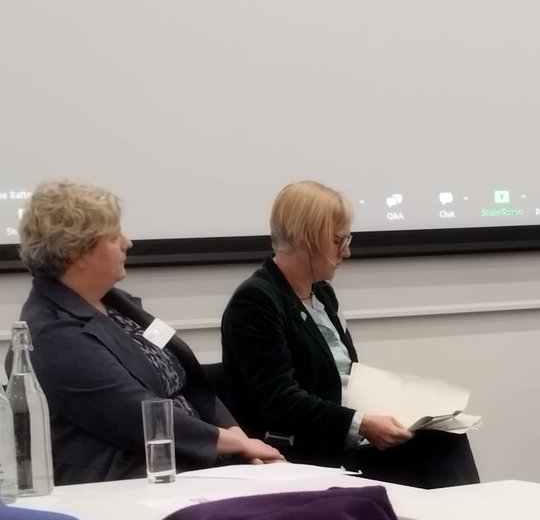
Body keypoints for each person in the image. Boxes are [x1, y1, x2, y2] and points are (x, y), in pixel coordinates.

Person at [17, 181, 283, 484]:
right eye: (114, 236)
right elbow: (134, 414)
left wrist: (233, 432)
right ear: (77, 252)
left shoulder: (121, 306)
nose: (127, 242)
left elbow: (188, 376)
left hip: (195, 467)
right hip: (131, 484)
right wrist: (233, 443)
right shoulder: (52, 334)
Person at [220, 180, 479, 488]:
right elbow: (280, 400)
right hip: (301, 451)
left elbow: (345, 375)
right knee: (438, 451)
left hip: (341, 440)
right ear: (307, 238)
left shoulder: (322, 295)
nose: (347, 251)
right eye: (338, 240)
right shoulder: (256, 301)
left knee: (444, 438)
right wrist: (361, 423)